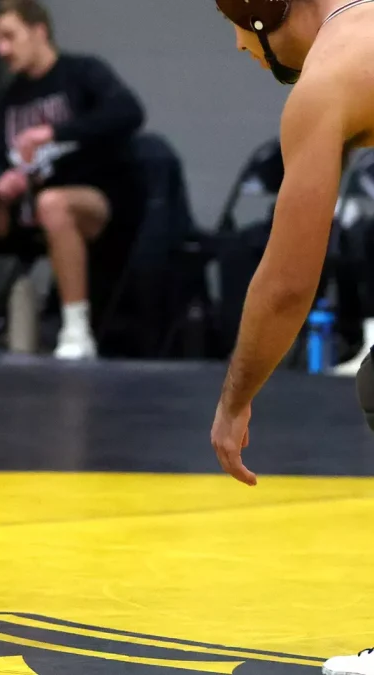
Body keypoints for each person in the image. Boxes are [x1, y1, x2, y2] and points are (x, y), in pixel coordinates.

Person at [209, 1, 374, 673]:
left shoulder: (327, 81)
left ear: (262, 15)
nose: (243, 55)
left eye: (241, 38)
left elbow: (286, 281)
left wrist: (234, 399)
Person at [0, 0, 145, 358]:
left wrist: (55, 132)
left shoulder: (83, 72)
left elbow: (128, 112)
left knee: (53, 203)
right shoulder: (8, 97)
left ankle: (77, 329)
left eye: (9, 37)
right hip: (22, 208)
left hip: (86, 200)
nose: (2, 49)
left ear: (39, 31)